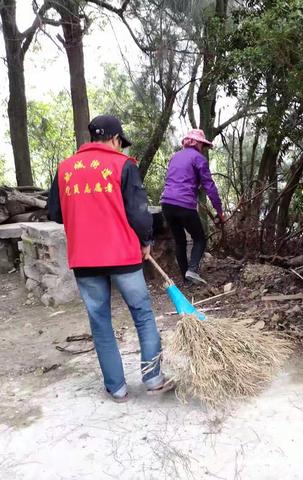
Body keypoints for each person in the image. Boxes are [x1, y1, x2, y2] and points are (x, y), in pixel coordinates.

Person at [48, 114, 172, 402]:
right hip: (122, 256)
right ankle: (153, 378)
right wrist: (146, 242)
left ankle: (116, 388)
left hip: (84, 261)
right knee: (142, 314)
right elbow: (140, 213)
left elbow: (54, 213)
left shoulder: (65, 169)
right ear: (116, 139)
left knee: (100, 321)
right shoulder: (123, 166)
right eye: (120, 143)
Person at [161, 129, 223, 285]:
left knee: (180, 241)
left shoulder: (174, 157)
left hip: (167, 204)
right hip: (185, 205)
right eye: (202, 144)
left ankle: (186, 280)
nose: (203, 147)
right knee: (200, 239)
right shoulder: (198, 158)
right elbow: (210, 187)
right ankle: (192, 270)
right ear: (197, 143)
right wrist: (219, 210)